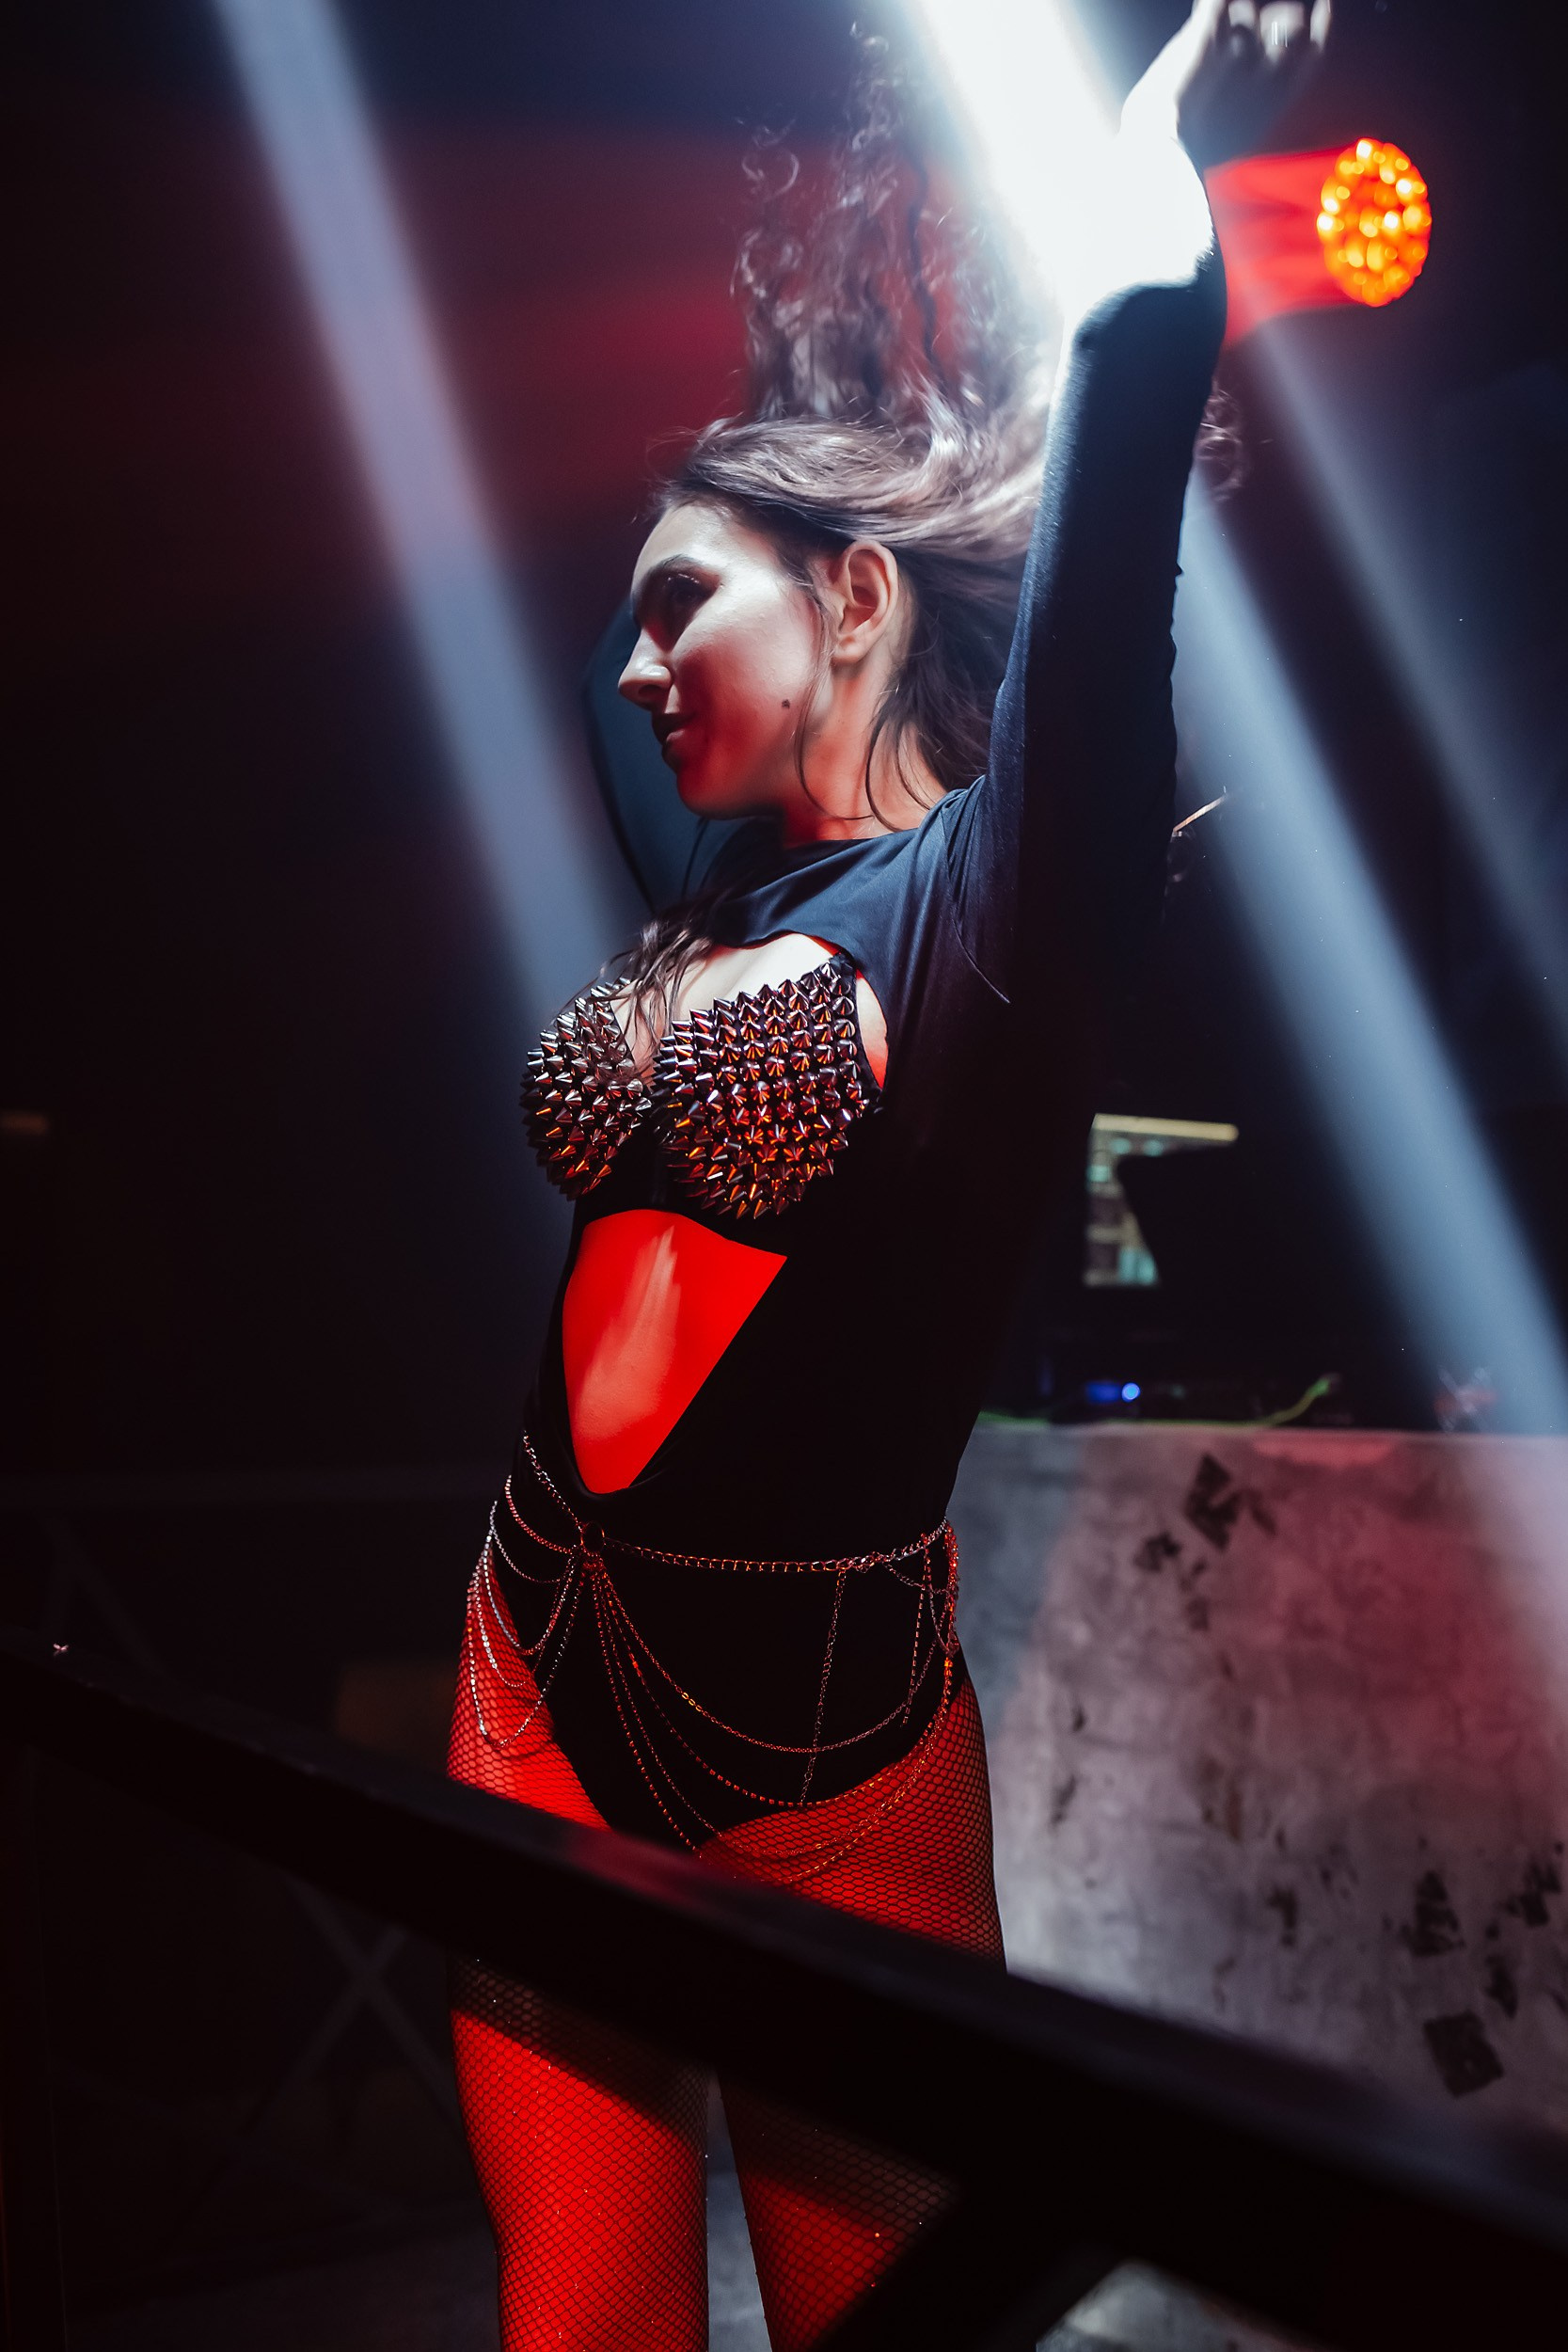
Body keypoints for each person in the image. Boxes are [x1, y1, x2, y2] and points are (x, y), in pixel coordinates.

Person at [448, 5, 1329, 2345]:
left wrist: (1153, 213)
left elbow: (1110, 550)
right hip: (528, 1670)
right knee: (580, 2320)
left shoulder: (995, 919)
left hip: (822, 1763)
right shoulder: (712, 888)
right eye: (633, 611)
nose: (633, 665)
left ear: (855, 598)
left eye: (683, 604)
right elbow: (620, 673)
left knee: (896, 2331)